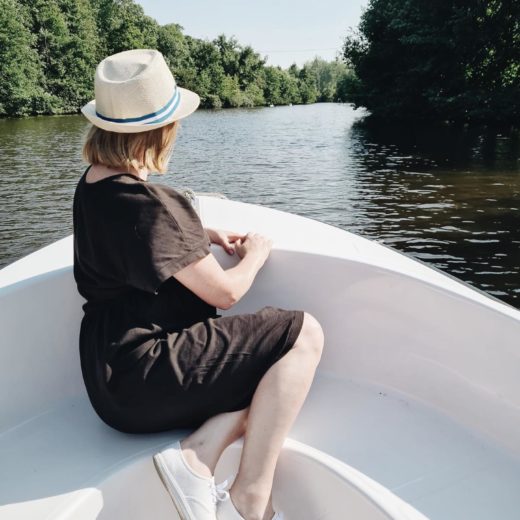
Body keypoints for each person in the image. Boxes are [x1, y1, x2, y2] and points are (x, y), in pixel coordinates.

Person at [73, 49, 324, 520]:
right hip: (146, 376)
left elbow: (137, 232)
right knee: (302, 335)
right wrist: (258, 254)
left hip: (107, 383)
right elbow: (225, 293)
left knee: (273, 388)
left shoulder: (93, 185)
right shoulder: (152, 206)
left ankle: (199, 453)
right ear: (162, 130)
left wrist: (199, 233)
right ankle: (249, 499)